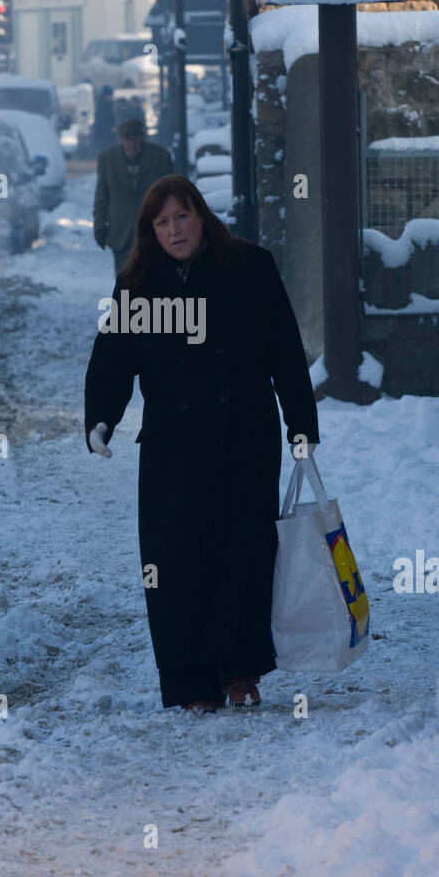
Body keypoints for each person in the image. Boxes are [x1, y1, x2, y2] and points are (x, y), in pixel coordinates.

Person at [84, 175, 319, 713]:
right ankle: (191, 681)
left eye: (182, 216)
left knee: (243, 555)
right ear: (150, 231)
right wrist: (101, 418)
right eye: (162, 222)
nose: (174, 230)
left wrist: (300, 425)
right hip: (173, 448)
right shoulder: (137, 284)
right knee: (175, 563)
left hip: (245, 440)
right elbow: (113, 358)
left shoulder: (249, 269)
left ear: (201, 216)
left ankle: (241, 671)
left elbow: (284, 349)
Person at [93, 119, 173, 277]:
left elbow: (172, 193)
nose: (132, 144)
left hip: (154, 232)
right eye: (127, 139)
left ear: (143, 137)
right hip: (121, 233)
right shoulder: (107, 159)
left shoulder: (160, 157)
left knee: (153, 280)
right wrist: (99, 226)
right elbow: (102, 196)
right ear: (120, 140)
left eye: (136, 138)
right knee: (125, 281)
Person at [90, 85, 115, 157]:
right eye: (109, 95)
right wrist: (109, 129)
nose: (111, 97)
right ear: (105, 96)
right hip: (103, 137)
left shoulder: (109, 105)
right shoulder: (101, 107)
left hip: (109, 136)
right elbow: (100, 123)